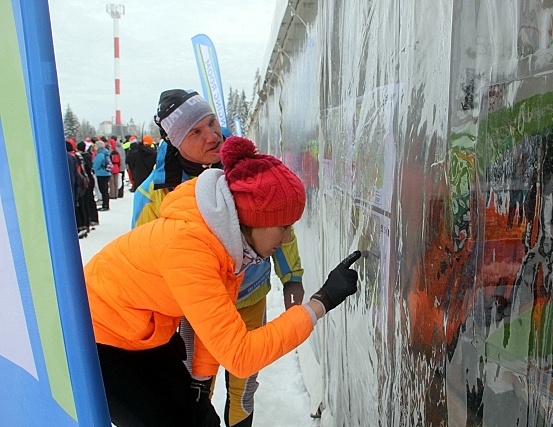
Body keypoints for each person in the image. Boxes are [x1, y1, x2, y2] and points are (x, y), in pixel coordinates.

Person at [84, 135, 361, 426]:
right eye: (284, 226)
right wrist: (321, 303)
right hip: (101, 339)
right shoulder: (192, 248)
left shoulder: (225, 241)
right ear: (256, 219)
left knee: (199, 418)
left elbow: (213, 322)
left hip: (140, 329)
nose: (288, 238)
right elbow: (240, 355)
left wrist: (200, 383)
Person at [132, 89, 306, 427]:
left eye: (211, 122)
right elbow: (145, 261)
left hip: (249, 295)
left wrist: (292, 276)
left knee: (244, 386)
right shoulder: (154, 192)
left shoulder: (247, 167)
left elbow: (279, 218)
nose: (212, 135)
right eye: (195, 132)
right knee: (197, 388)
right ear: (174, 140)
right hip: (198, 311)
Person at [92, 140, 112, 211]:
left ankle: (105, 205)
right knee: (105, 190)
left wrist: (93, 167)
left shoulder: (100, 155)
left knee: (103, 190)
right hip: (107, 173)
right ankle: (106, 204)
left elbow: (96, 165)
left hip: (101, 174)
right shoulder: (106, 153)